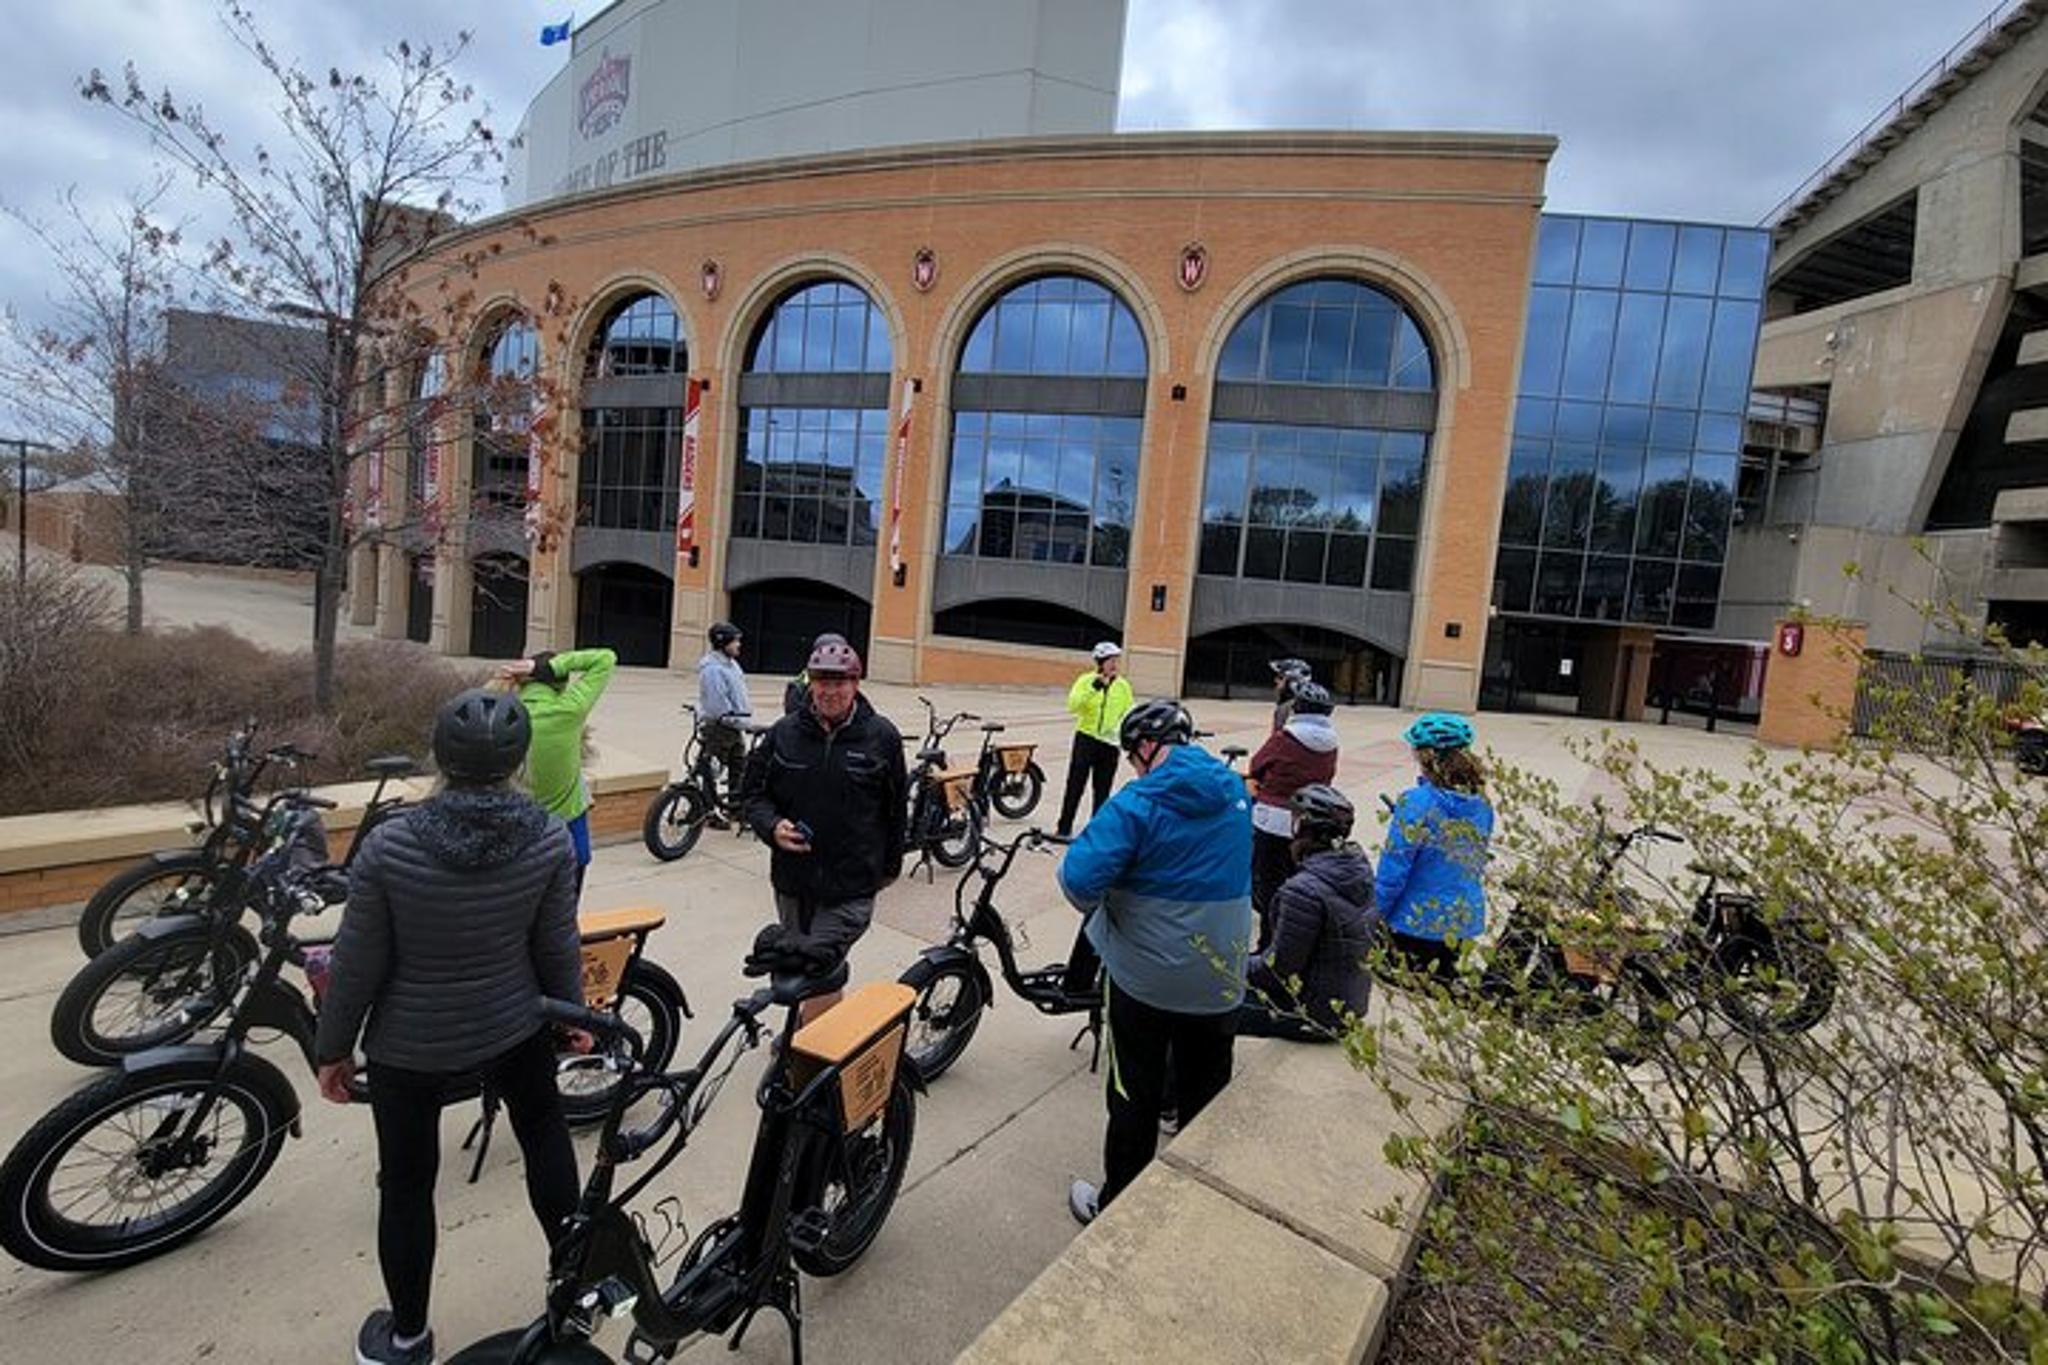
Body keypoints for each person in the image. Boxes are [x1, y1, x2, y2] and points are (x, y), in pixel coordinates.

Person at [314, 688, 582, 1365]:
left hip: (410, 1045)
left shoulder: (392, 842)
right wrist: (574, 1013)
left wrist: (333, 1048)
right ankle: (576, 1291)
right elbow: (556, 944)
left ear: (440, 757)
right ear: (519, 762)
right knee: (546, 1140)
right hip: (515, 1024)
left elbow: (356, 963)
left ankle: (406, 1338)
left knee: (405, 1184)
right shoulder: (548, 835)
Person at [1057, 698, 1253, 1225]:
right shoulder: (1236, 790)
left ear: (1146, 748)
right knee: (1206, 1096)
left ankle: (1117, 1204)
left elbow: (1077, 883)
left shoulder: (1136, 803)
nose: (1131, 766)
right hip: (1221, 979)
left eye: (1130, 755)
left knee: (1133, 1095)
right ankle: (1196, 1208)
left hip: (1146, 984)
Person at [741, 634, 908, 1020]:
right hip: (793, 882)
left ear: (856, 684)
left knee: (817, 965)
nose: (830, 691)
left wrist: (889, 869)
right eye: (822, 681)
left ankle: (807, 1055)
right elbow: (750, 795)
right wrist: (772, 826)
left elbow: (896, 809)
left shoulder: (882, 737)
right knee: (809, 964)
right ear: (809, 683)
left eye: (840, 682)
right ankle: (811, 1040)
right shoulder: (783, 733)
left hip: (851, 884)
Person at [1239, 784, 1378, 1041]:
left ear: (1303, 826)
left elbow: (1277, 970)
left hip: (1313, 1016)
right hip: (1348, 1008)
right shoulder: (1359, 868)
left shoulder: (1302, 892)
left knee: (1207, 1004)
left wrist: (1229, 964)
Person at [1377, 712, 1495, 981]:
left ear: (1425, 756)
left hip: (1416, 921)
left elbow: (1393, 872)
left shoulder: (1416, 802)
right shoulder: (1482, 803)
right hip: (1462, 920)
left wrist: (1375, 912)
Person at [503, 645, 616, 893]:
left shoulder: (504, 716)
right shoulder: (568, 711)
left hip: (519, 837)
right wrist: (550, 667)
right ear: (561, 685)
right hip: (568, 834)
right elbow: (605, 658)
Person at [1246, 679, 1340, 941]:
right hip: (1306, 821)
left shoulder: (1285, 738)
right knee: (1294, 881)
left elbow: (1257, 765)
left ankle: (1268, 942)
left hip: (1272, 818)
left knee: (1269, 884)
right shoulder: (1332, 743)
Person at [1055, 641, 1134, 839]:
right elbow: (1073, 706)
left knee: (1102, 790)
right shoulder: (1085, 681)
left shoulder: (1123, 686)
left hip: (1109, 744)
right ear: (1100, 662)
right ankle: (1064, 828)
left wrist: (1121, 733)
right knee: (1075, 785)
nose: (1114, 665)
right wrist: (1095, 687)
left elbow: (1128, 712)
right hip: (1086, 740)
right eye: (1110, 661)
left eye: (1116, 660)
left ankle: (1096, 832)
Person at [697, 621, 751, 824]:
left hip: (734, 727)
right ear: (723, 642)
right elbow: (716, 704)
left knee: (739, 767)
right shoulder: (712, 670)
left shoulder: (731, 665)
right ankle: (707, 812)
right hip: (720, 727)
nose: (739, 644)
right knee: (712, 770)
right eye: (735, 640)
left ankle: (735, 808)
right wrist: (737, 721)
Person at [1269, 657, 1312, 732]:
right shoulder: (1305, 705)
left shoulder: (1288, 708)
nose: (1275, 680)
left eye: (1280, 677)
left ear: (1292, 682)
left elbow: (1279, 740)